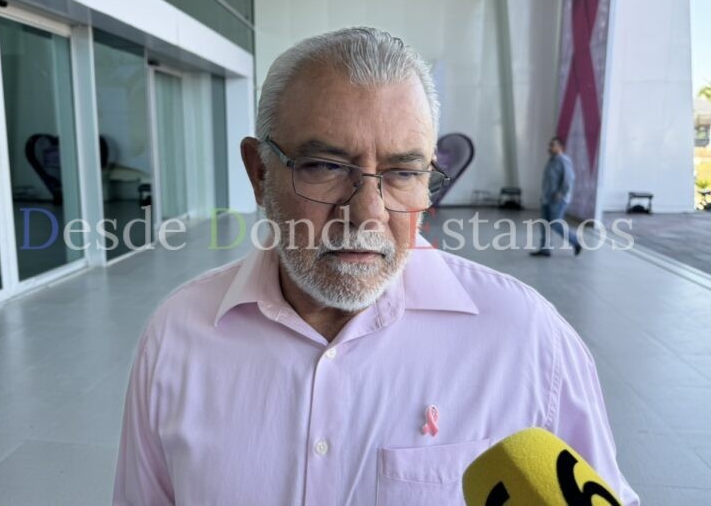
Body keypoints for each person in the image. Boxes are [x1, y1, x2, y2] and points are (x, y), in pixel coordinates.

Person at [113, 28, 638, 505]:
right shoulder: (178, 336)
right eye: (325, 167)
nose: (367, 213)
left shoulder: (528, 341)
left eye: (403, 172)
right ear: (259, 173)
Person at [530, 136, 583, 257]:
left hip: (557, 200)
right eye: (550, 145)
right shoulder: (551, 161)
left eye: (553, 145)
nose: (550, 147)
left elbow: (569, 179)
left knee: (555, 224)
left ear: (560, 147)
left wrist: (561, 193)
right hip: (546, 198)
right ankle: (545, 249)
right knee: (544, 224)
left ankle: (575, 242)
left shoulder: (563, 160)